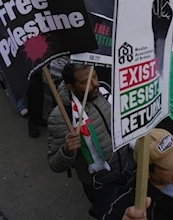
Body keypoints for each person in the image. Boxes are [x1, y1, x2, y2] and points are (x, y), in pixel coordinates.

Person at [47, 63, 133, 219]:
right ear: (70, 87)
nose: (94, 84)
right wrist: (67, 151)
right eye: (85, 82)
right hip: (101, 185)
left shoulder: (104, 91)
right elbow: (54, 164)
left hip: (126, 167)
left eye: (94, 76)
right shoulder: (61, 117)